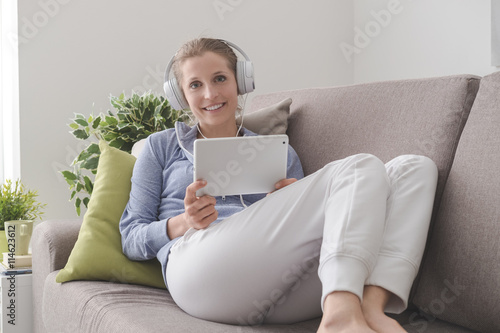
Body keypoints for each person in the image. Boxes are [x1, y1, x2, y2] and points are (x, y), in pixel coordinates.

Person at [119, 38, 438, 333]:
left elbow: (321, 233)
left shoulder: (279, 152)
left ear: (240, 82)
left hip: (287, 289)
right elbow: (131, 237)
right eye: (195, 85)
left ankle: (369, 307)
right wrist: (183, 222)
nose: (210, 94)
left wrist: (281, 203)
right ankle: (341, 316)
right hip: (202, 274)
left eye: (220, 79)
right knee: (360, 166)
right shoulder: (160, 147)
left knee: (415, 168)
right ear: (181, 95)